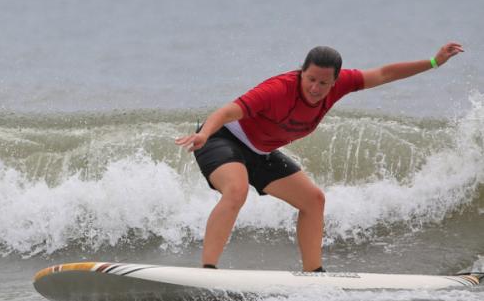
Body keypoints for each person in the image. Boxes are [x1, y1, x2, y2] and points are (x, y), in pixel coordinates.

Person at [175, 42, 464, 272]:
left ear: (335, 81)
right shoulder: (278, 89)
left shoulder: (342, 84)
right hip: (219, 138)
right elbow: (227, 112)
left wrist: (434, 62)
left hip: (259, 151)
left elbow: (384, 73)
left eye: (323, 83)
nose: (315, 88)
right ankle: (208, 269)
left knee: (313, 200)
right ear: (302, 72)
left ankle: (313, 274)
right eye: (310, 79)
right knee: (236, 190)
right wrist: (204, 134)